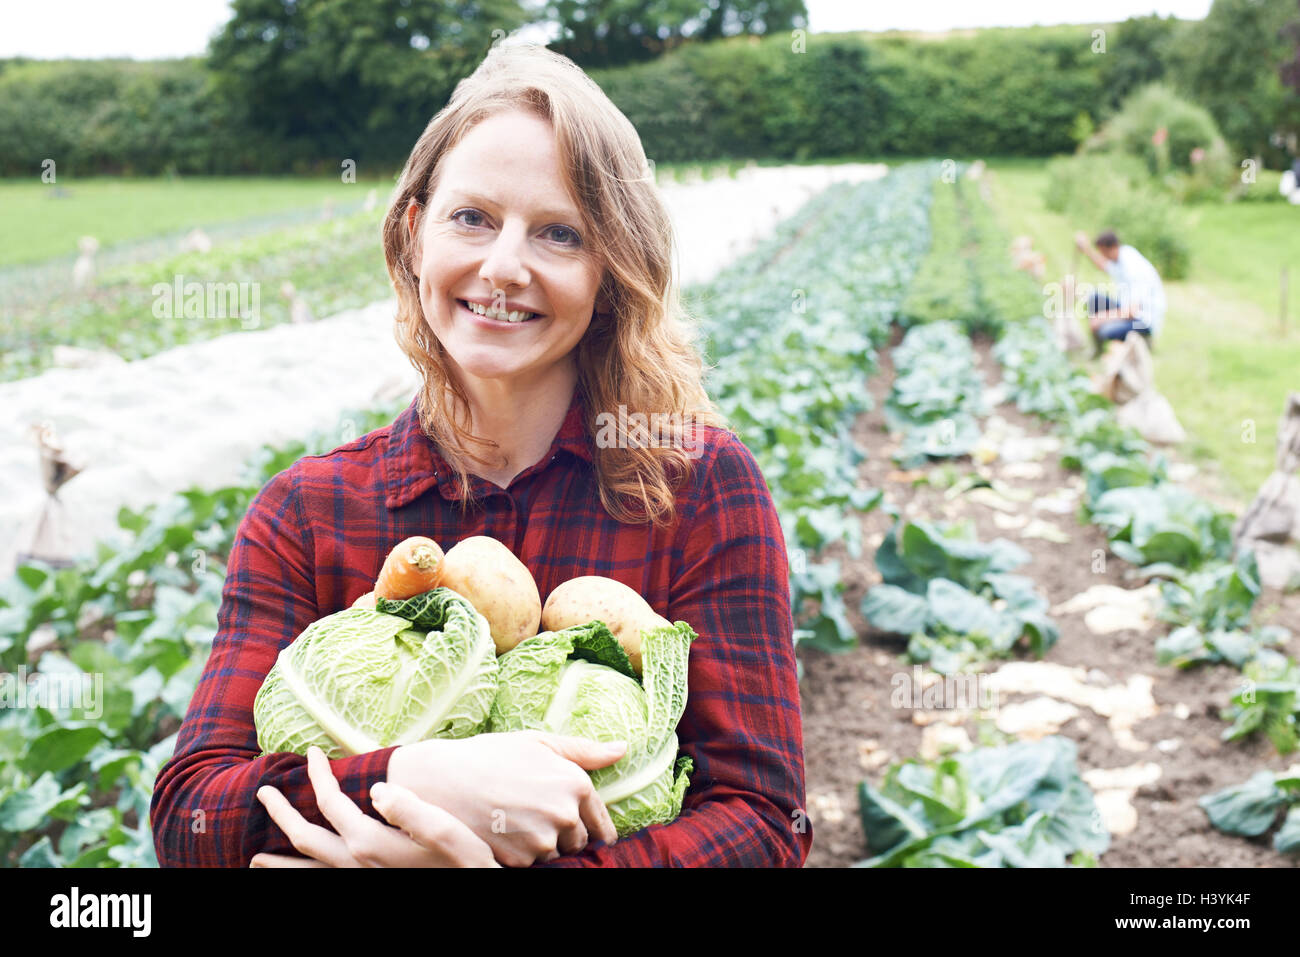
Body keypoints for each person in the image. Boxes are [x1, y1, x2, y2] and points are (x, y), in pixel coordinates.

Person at [149, 43, 811, 868]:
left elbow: (764, 822)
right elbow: (191, 815)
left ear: (611, 270)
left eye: (559, 234)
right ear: (412, 231)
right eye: (473, 218)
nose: (504, 267)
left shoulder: (699, 487)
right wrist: (416, 777)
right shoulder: (306, 512)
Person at [1073, 229, 1166, 353]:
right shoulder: (1121, 257)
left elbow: (1133, 311)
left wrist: (1101, 318)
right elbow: (1103, 265)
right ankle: (1097, 349)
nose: (1103, 256)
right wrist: (1086, 248)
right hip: (1127, 310)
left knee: (1105, 330)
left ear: (1111, 248)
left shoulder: (1133, 269)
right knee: (1094, 298)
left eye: (1103, 253)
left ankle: (1143, 340)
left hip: (1142, 320)